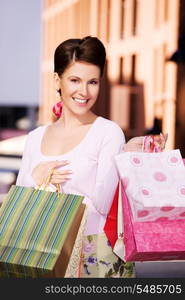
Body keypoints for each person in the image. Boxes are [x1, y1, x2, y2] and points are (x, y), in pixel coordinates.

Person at [15, 36, 156, 278]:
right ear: (57, 80)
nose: (84, 91)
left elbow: (103, 205)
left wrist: (122, 160)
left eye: (92, 82)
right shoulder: (35, 138)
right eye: (74, 80)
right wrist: (35, 176)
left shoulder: (108, 133)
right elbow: (20, 206)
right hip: (42, 256)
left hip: (93, 258)